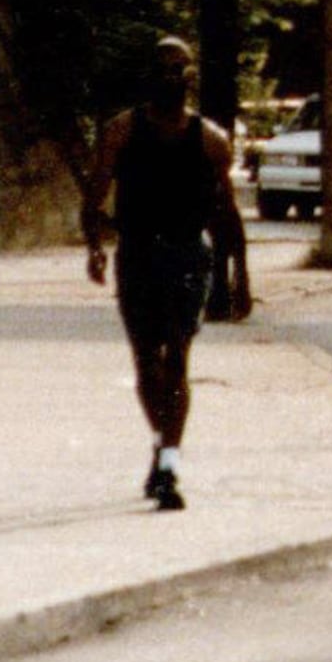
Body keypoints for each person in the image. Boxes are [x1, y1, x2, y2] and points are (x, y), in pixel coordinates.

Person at [82, 37, 250, 512]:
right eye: (161, 68)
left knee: (176, 356)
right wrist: (95, 247)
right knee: (144, 361)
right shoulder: (122, 131)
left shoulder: (211, 140)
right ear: (148, 76)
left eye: (178, 69)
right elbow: (94, 196)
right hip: (137, 254)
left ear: (190, 78)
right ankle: (161, 443)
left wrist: (240, 276)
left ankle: (170, 464)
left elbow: (226, 213)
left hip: (186, 257)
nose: (169, 77)